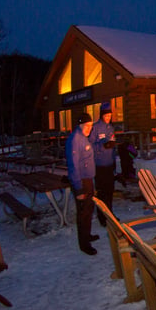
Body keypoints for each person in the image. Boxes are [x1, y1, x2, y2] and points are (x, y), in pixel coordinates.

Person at [66, 113, 98, 256]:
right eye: (87, 126)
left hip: (88, 179)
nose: (89, 128)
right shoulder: (75, 139)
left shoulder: (83, 138)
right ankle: (84, 244)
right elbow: (73, 165)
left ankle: (87, 234)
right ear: (80, 125)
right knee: (83, 213)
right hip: (81, 181)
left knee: (89, 209)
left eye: (91, 126)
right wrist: (78, 188)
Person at [89, 101, 116, 226]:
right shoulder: (95, 127)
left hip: (109, 164)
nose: (108, 118)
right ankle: (101, 216)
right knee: (101, 192)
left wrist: (113, 150)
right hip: (99, 165)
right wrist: (102, 145)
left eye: (109, 116)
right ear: (101, 115)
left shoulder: (110, 128)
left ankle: (110, 214)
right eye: (106, 116)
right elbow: (90, 146)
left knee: (110, 191)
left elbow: (113, 145)